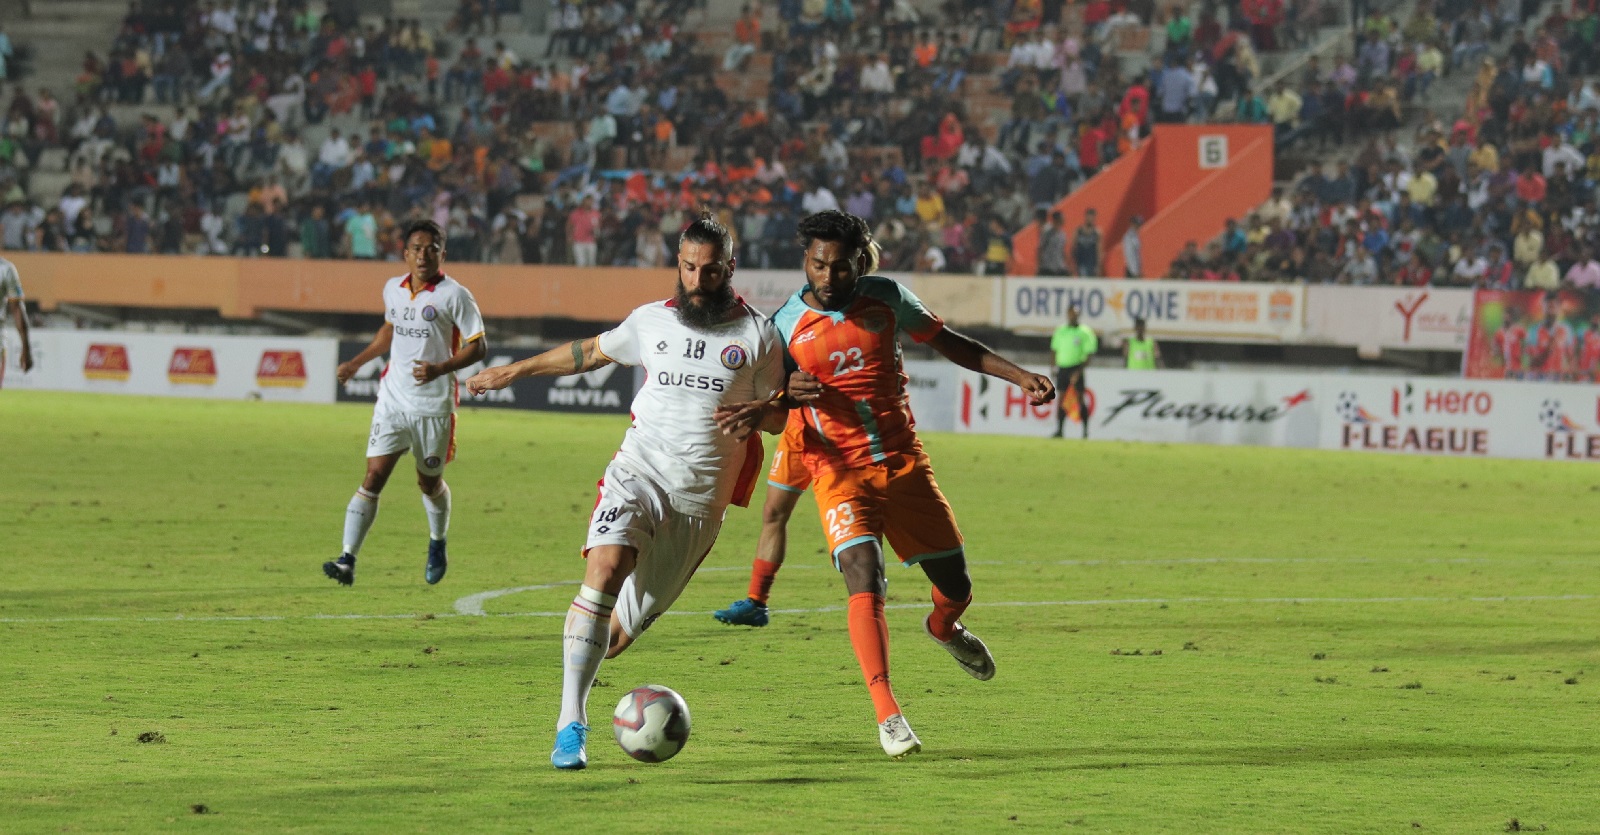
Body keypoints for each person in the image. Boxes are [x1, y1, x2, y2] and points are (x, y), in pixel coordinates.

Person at [465, 213, 786, 770]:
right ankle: (571, 725)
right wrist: (514, 371)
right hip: (639, 470)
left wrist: (762, 412)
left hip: (699, 500)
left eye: (710, 270)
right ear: (678, 265)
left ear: (730, 268)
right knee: (606, 566)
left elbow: (780, 416)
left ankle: (586, 681)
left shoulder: (758, 335)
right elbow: (590, 352)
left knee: (612, 641)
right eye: (689, 268)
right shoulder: (650, 320)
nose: (697, 280)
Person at [778, 210, 1055, 758]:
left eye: (839, 266)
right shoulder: (784, 324)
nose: (828, 277)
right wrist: (786, 391)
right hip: (838, 470)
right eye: (817, 265)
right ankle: (889, 714)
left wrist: (1019, 375)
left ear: (860, 261)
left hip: (904, 464)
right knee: (865, 575)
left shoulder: (888, 298)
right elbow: (769, 398)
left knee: (957, 586)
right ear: (805, 261)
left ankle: (944, 628)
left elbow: (950, 343)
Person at [326, 220, 488, 587]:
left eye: (432, 249)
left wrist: (439, 369)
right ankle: (347, 558)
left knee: (428, 483)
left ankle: (437, 542)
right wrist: (357, 362)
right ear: (405, 254)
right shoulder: (392, 289)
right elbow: (390, 330)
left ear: (442, 254)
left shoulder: (455, 295)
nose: (423, 255)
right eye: (417, 248)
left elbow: (478, 346)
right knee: (373, 476)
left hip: (433, 406)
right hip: (393, 400)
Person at [712, 412, 809, 627]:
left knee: (862, 520)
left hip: (843, 435)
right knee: (774, 513)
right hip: (800, 432)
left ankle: (868, 597)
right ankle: (757, 603)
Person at [1050, 304, 1097, 438]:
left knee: (1080, 399)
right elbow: (1054, 350)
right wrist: (1053, 367)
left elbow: (1089, 354)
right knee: (1061, 399)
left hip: (1077, 367)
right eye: (1071, 313)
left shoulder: (1085, 332)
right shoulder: (1060, 331)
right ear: (1067, 314)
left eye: (1075, 314)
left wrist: (1079, 371)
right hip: (1063, 368)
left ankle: (1085, 431)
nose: (1073, 316)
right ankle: (1059, 430)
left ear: (1079, 315)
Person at [0, 255, 34, 388]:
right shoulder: (6, 269)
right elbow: (17, 309)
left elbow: (17, 309)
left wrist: (26, 348)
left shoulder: (6, 269)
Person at [1072, 208, 1103, 276]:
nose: (1090, 219)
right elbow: (1073, 248)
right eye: (1089, 217)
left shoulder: (1097, 232)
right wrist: (1073, 264)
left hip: (1092, 263)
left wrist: (1098, 266)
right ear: (1085, 217)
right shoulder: (1078, 231)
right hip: (1081, 262)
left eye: (1092, 217)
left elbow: (1099, 250)